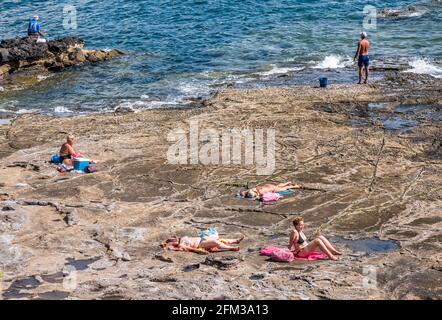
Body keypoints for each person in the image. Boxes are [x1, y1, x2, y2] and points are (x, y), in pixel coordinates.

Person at [163, 234, 245, 254]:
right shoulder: (181, 245)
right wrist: (199, 251)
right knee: (215, 242)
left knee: (218, 239)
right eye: (171, 241)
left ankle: (235, 240)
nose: (173, 240)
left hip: (202, 239)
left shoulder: (182, 238)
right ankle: (230, 248)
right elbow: (191, 249)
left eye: (172, 239)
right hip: (201, 244)